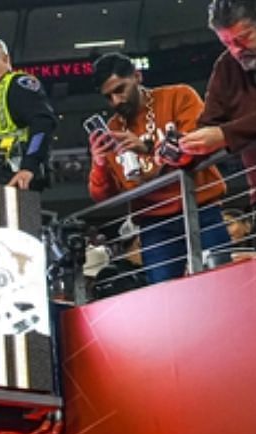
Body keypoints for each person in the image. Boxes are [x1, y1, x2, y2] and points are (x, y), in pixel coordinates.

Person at [87, 53, 231, 282]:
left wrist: (146, 146)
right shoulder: (113, 128)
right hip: (155, 224)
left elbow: (198, 143)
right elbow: (102, 196)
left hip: (201, 206)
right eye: (108, 97)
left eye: (120, 89)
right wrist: (100, 164)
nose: (116, 101)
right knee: (165, 299)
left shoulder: (178, 96)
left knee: (221, 283)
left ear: (137, 76)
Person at [186, 0, 256, 253]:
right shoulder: (226, 66)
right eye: (227, 43)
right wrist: (184, 146)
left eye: (244, 38)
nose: (237, 50)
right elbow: (207, 124)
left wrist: (224, 135)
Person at [0, 35, 57, 190]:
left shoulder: (17, 85)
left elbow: (43, 123)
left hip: (14, 177)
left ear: (6, 60)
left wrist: (29, 166)